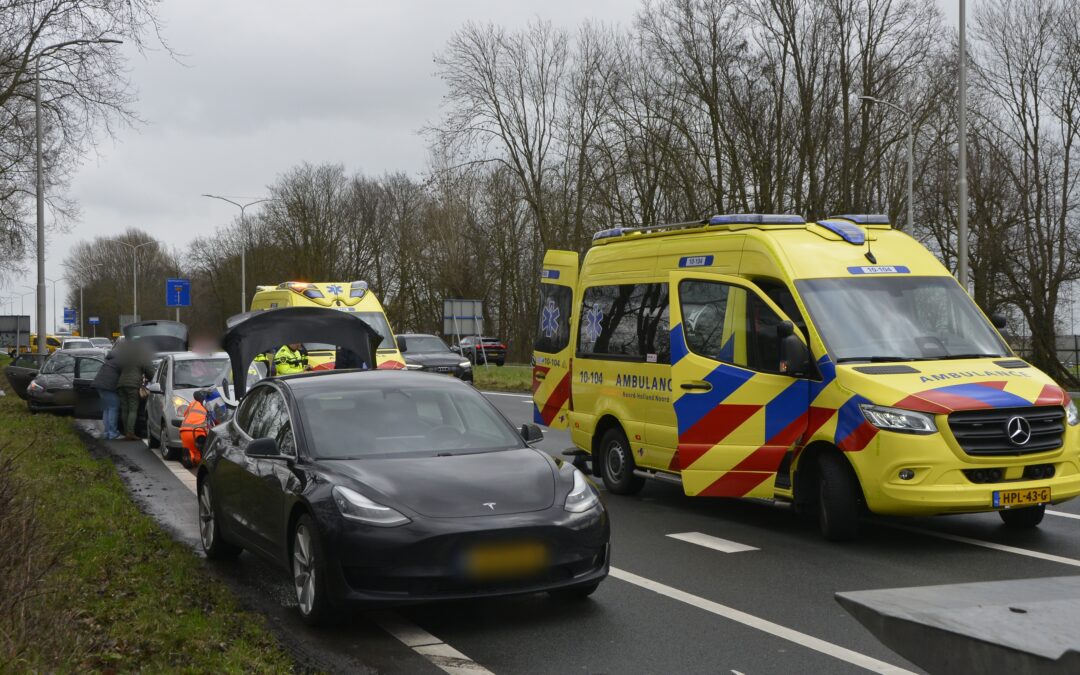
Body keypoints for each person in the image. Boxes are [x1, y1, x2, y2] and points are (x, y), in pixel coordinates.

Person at [113, 339, 155, 440]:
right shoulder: (142, 357)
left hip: (121, 384)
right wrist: (153, 380)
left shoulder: (126, 356)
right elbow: (151, 372)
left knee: (125, 409)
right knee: (133, 409)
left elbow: (119, 368)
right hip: (133, 385)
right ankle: (130, 433)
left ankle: (126, 431)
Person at [91, 351, 122, 440]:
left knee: (107, 408)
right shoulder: (118, 362)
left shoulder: (108, 362)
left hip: (99, 386)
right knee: (113, 407)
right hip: (108, 387)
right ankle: (112, 433)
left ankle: (107, 432)